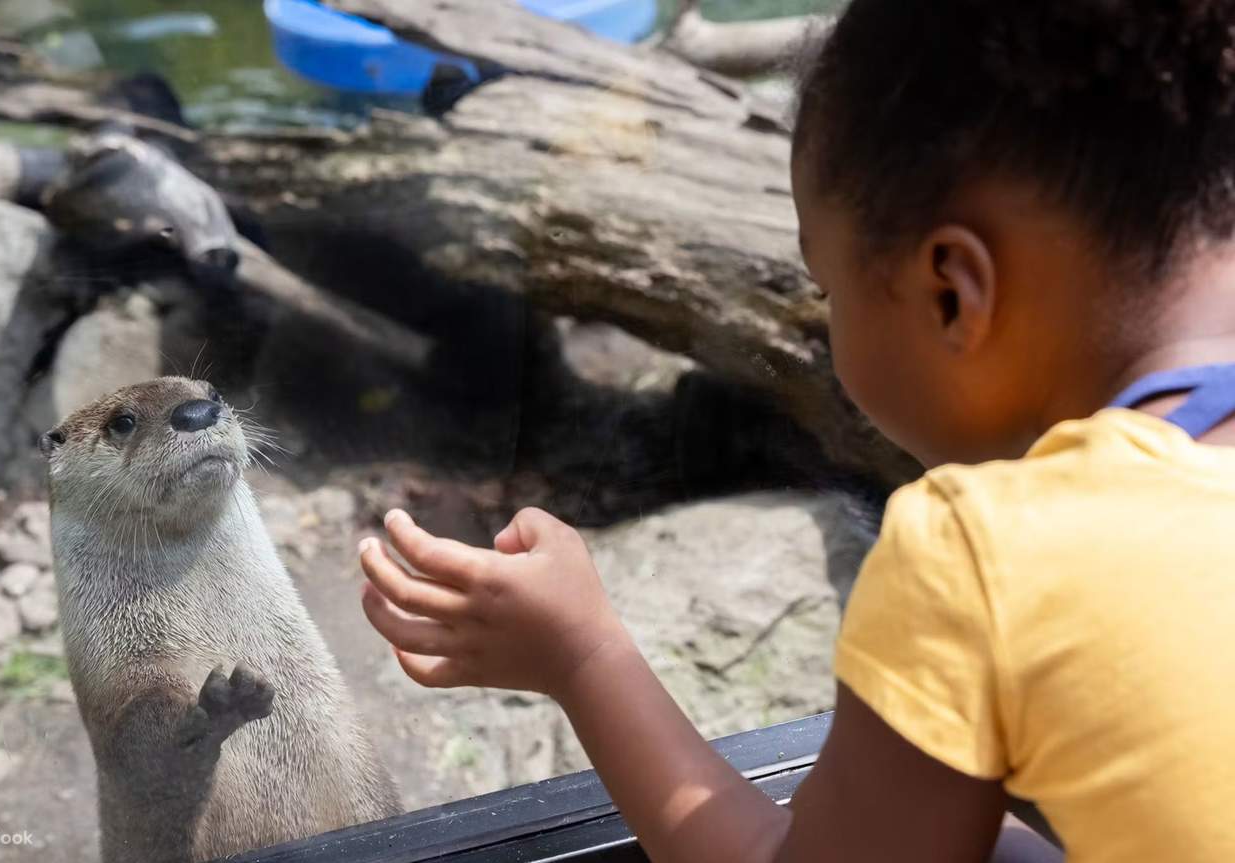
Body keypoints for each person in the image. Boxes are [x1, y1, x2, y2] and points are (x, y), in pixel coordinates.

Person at [356, 1, 1235, 860]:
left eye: (826, 290)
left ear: (949, 293)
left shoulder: (986, 551)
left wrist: (580, 653)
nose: (825, 322)